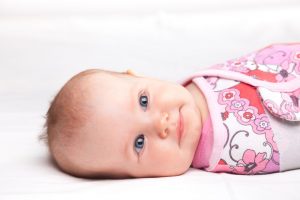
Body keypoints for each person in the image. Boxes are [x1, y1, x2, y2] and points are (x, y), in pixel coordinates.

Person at [41, 43, 300, 178]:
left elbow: (255, 61)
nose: (160, 124)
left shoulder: (195, 84)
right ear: (133, 178)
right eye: (139, 143)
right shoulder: (232, 152)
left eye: (144, 102)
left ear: (136, 76)